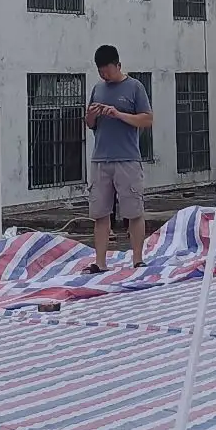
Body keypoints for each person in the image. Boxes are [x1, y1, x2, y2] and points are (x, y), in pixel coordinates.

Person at [84, 44, 153, 273]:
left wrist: (118, 114)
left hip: (127, 159)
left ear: (119, 66)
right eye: (101, 72)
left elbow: (146, 120)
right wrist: (92, 115)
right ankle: (100, 262)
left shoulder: (135, 88)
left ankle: (137, 259)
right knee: (100, 213)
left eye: (108, 70)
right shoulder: (97, 89)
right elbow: (91, 125)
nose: (105, 75)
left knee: (133, 210)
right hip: (100, 160)